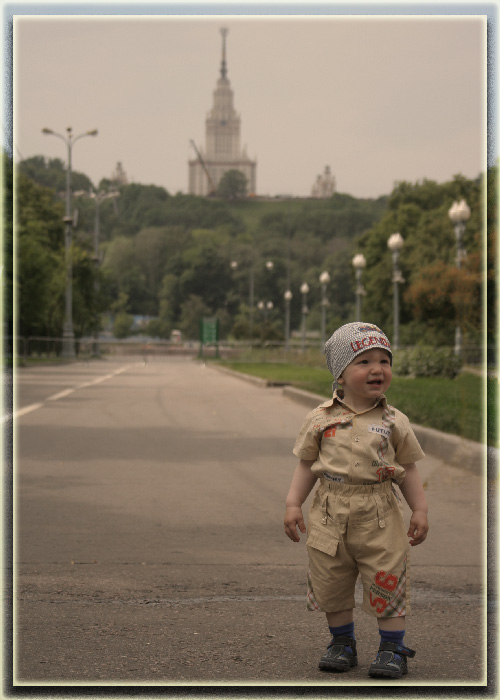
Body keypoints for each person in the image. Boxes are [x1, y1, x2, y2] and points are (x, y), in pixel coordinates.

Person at [284, 322, 429, 679]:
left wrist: (420, 509)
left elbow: (407, 469)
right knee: (331, 578)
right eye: (364, 361)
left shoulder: (395, 421)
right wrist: (292, 504)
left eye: (384, 360)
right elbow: (306, 465)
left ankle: (392, 648)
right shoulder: (320, 419)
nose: (377, 369)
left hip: (380, 512)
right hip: (329, 512)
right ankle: (342, 643)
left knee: (387, 576)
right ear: (341, 374)